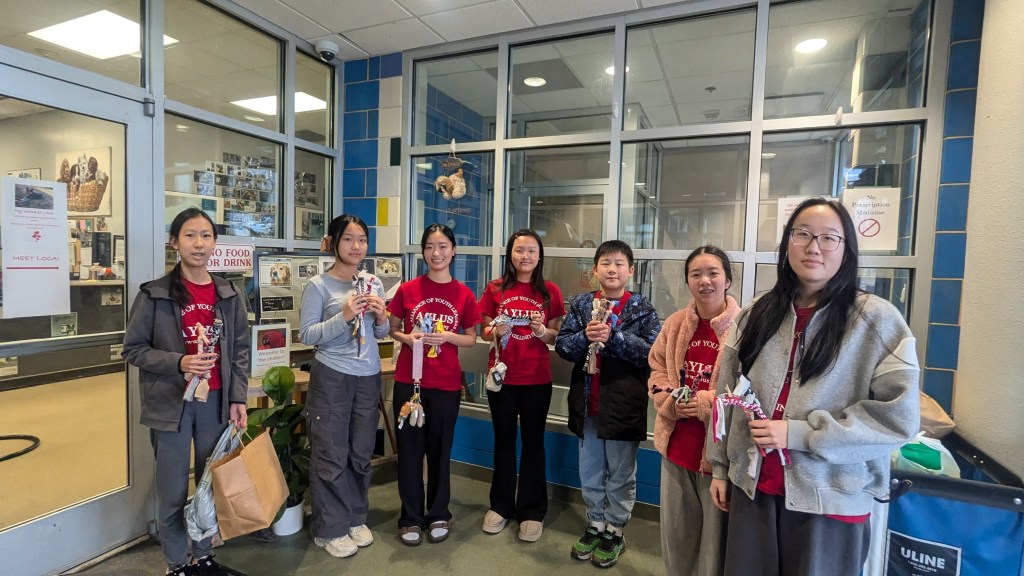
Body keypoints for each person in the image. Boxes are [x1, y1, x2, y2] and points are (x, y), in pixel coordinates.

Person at [708, 197, 920, 576]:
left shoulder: (877, 320)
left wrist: (798, 434)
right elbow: (726, 395)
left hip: (830, 500)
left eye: (829, 238)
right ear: (787, 242)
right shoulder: (756, 313)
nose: (813, 246)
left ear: (847, 249)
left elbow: (897, 421)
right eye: (802, 234)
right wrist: (721, 468)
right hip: (752, 491)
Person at [122, 208, 249, 576]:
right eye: (190, 235)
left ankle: (204, 555)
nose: (199, 243)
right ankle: (177, 564)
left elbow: (239, 350)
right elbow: (133, 350)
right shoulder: (155, 294)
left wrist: (237, 398)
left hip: (215, 403)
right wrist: (179, 362)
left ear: (214, 243)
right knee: (174, 489)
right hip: (171, 405)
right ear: (174, 242)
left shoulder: (227, 293)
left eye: (206, 235)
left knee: (210, 485)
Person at [555, 240, 661, 569]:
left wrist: (614, 337)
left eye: (618, 263)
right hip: (588, 403)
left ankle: (615, 529)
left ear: (630, 270)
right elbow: (562, 346)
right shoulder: (582, 304)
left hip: (624, 404)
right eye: (605, 263)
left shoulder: (642, 308)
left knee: (620, 473)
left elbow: (652, 353)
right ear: (595, 270)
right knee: (590, 469)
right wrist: (585, 336)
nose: (611, 269)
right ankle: (595, 524)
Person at [298, 215, 390, 559]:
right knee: (330, 454)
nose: (356, 246)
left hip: (367, 376)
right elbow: (308, 335)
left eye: (362, 239)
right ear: (333, 242)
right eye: (349, 239)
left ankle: (354, 517)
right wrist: (345, 315)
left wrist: (382, 317)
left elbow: (381, 334)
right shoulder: (318, 286)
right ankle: (329, 528)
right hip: (332, 376)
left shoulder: (373, 282)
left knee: (361, 451)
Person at [387, 223, 482, 547]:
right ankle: (410, 516)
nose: (436, 253)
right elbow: (393, 327)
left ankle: (439, 513)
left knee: (441, 452)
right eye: (430, 246)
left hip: (445, 385)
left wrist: (447, 337)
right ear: (423, 251)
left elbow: (472, 338)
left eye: (443, 246)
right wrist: (408, 338)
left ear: (453, 251)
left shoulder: (464, 294)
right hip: (409, 383)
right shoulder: (408, 290)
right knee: (410, 451)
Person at [648, 246, 740, 576]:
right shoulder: (675, 324)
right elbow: (656, 372)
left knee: (714, 547)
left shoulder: (744, 329)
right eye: (696, 274)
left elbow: (750, 393)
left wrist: (704, 404)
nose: (705, 281)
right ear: (687, 281)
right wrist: (668, 399)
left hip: (719, 459)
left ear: (727, 279)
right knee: (676, 540)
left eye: (713, 273)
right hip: (675, 449)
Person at [478, 229, 566, 542]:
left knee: (533, 443)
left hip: (536, 379)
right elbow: (483, 329)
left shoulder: (550, 292)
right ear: (510, 255)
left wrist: (543, 331)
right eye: (518, 251)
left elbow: (555, 334)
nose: (524, 256)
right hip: (501, 377)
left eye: (530, 251)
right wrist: (495, 331)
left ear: (539, 256)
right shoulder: (495, 288)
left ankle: (531, 510)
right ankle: (501, 506)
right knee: (503, 441)